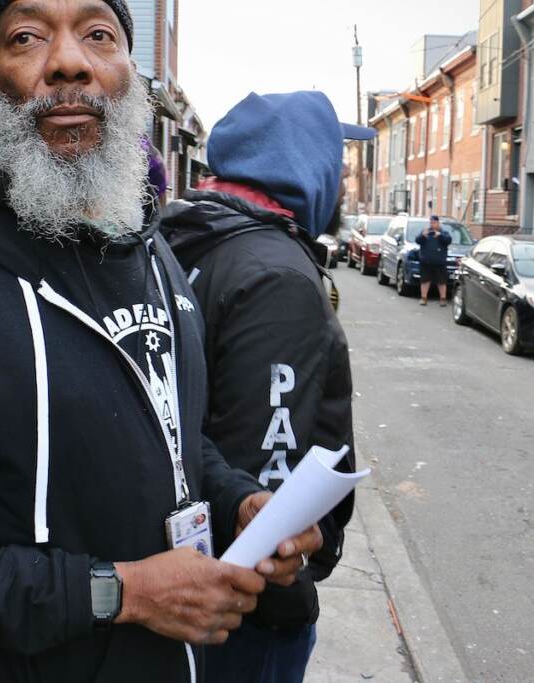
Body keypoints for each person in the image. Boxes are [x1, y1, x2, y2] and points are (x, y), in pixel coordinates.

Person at [0, 1, 322, 681]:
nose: (69, 60)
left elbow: (169, 431)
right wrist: (120, 591)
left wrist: (238, 502)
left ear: (127, 74)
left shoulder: (145, 245)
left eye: (97, 34)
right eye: (26, 36)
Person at [160, 91, 365, 683]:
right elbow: (268, 483)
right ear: (307, 166)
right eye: (339, 162)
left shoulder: (186, 237)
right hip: (244, 613)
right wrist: (284, 602)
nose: (344, 179)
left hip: (189, 579)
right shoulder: (276, 273)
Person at [416, 215, 453, 306]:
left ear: (438, 223)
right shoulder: (425, 232)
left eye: (434, 222)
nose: (432, 224)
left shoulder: (444, 233)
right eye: (431, 222)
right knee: (425, 280)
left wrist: (440, 236)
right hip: (426, 261)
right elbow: (417, 240)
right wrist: (422, 236)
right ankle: (424, 298)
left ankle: (443, 299)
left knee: (441, 281)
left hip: (439, 261)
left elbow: (448, 240)